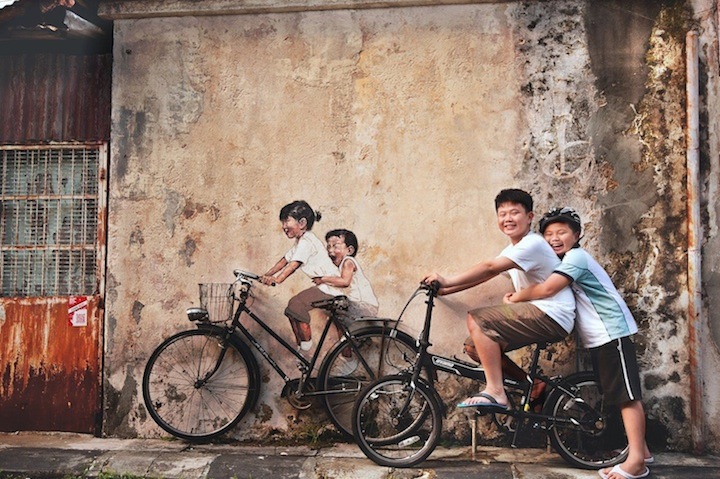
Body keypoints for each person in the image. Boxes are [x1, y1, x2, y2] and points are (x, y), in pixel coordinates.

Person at [504, 207, 653, 479]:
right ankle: (640, 451)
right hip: (600, 337)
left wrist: (516, 297)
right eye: (549, 234)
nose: (554, 238)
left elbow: (549, 288)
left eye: (562, 232)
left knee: (627, 397)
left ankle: (636, 463)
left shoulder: (577, 257)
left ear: (577, 235)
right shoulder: (564, 261)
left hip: (612, 332)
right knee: (617, 394)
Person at [423, 188, 575, 410]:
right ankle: (533, 385)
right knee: (474, 346)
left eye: (514, 213)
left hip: (552, 313)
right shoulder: (514, 249)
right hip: (544, 315)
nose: (508, 219)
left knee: (478, 320)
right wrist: (446, 289)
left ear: (529, 217)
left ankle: (496, 391)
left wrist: (447, 280)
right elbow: (488, 274)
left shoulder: (532, 243)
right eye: (502, 214)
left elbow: (489, 267)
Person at [260, 200, 342, 352]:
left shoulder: (307, 241)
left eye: (287, 221)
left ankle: (306, 348)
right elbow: (284, 261)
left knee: (296, 306)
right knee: (291, 310)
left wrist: (277, 279)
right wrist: (266, 275)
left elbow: (293, 265)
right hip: (324, 286)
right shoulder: (300, 242)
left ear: (302, 223)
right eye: (282, 222)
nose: (284, 226)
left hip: (331, 287)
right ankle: (301, 347)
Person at [313, 228, 379, 319]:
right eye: (328, 247)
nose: (330, 250)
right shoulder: (340, 267)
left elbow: (345, 282)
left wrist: (322, 279)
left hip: (364, 305)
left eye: (335, 246)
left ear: (349, 250)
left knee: (334, 310)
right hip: (358, 304)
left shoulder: (348, 262)